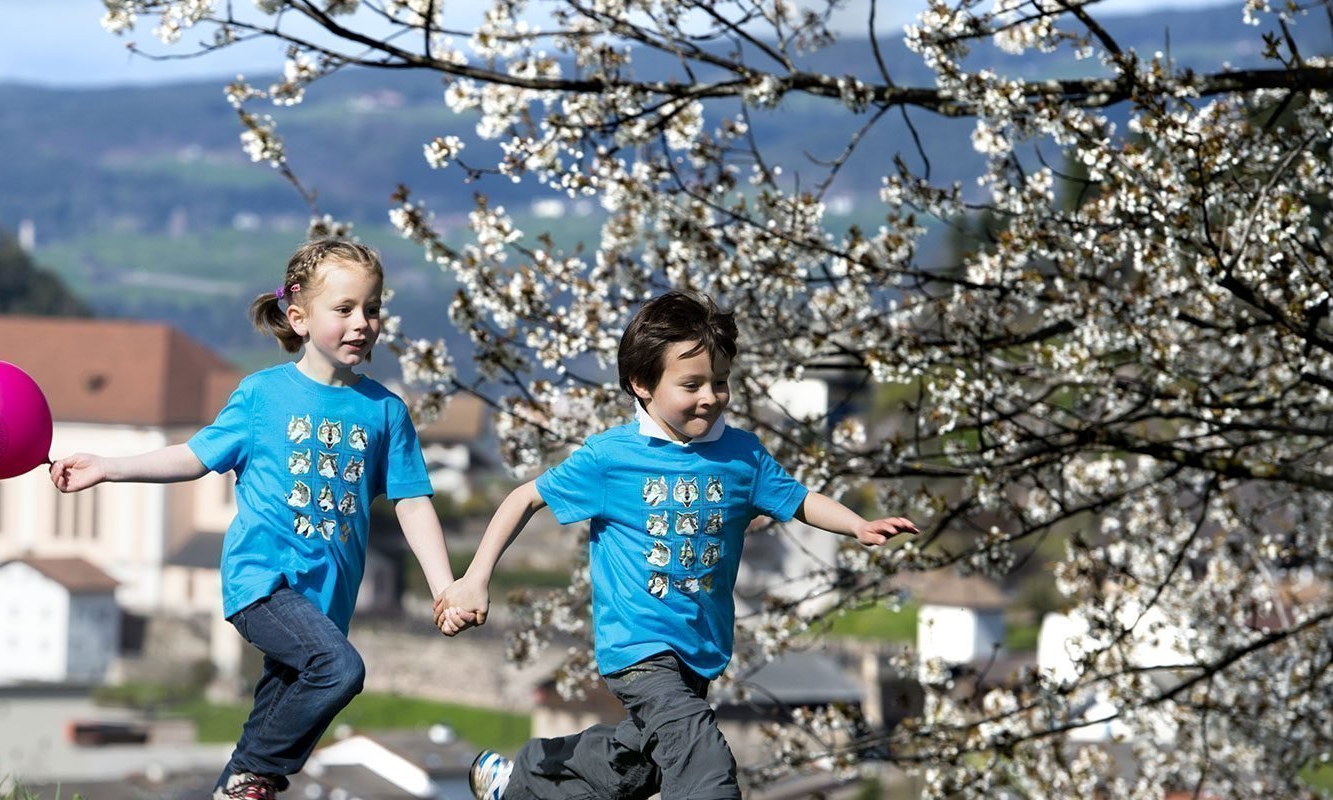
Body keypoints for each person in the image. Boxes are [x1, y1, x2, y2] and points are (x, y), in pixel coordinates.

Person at [434, 290, 917, 800]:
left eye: (720, 382)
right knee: (702, 759)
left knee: (637, 769)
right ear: (642, 385)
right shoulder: (611, 458)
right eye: (692, 384)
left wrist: (857, 525)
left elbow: (797, 499)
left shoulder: (741, 456)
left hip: (700, 647)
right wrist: (475, 579)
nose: (710, 396)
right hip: (638, 649)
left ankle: (522, 782)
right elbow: (524, 498)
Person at [51, 238, 468, 800]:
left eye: (372, 308)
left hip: (327, 599)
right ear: (298, 317)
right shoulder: (261, 396)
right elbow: (193, 457)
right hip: (261, 583)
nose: (362, 323)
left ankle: (238, 786)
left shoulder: (385, 410)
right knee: (339, 670)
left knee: (276, 710)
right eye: (343, 309)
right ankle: (260, 776)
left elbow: (413, 502)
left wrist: (443, 586)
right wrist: (108, 466)